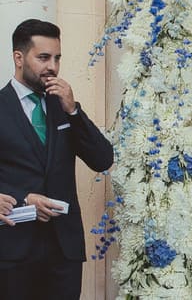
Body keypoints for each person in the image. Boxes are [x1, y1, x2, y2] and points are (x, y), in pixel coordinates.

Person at [0, 19, 114, 299]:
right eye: (43, 57)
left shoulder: (64, 107)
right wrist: (23, 198)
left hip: (64, 252)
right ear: (18, 57)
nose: (52, 66)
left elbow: (102, 159)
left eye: (57, 58)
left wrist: (74, 111)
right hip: (13, 252)